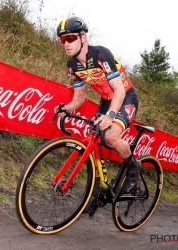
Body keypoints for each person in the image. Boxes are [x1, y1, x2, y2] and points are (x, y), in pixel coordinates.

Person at [54, 16, 140, 212]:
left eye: (70, 38)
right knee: (91, 139)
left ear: (83, 37)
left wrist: (110, 115)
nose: (66, 44)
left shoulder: (101, 54)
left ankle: (133, 167)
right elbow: (80, 96)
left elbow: (118, 90)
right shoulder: (72, 65)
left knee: (110, 136)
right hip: (105, 100)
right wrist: (67, 108)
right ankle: (97, 190)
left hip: (125, 97)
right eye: (62, 40)